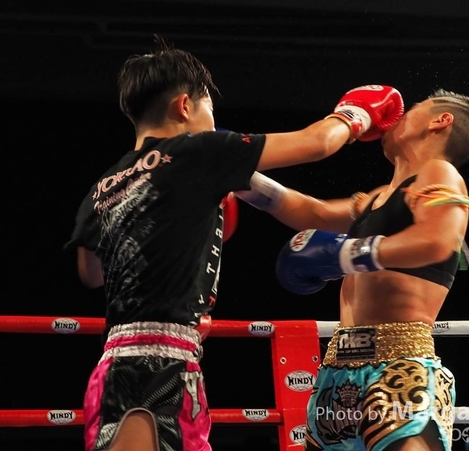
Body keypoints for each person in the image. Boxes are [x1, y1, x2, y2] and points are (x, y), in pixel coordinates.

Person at [63, 34, 404, 451]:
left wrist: (361, 206)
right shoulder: (198, 152)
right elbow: (318, 142)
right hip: (154, 369)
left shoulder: (104, 188)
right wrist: (356, 113)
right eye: (208, 106)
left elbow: (92, 274)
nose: (213, 118)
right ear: (184, 106)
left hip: (123, 363)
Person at [235, 88, 469, 451]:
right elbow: (313, 212)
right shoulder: (379, 196)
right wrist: (236, 173)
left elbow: (438, 241)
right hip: (338, 372)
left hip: (398, 365)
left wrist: (348, 253)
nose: (394, 119)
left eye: (412, 110)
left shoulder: (439, 173)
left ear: (440, 121)